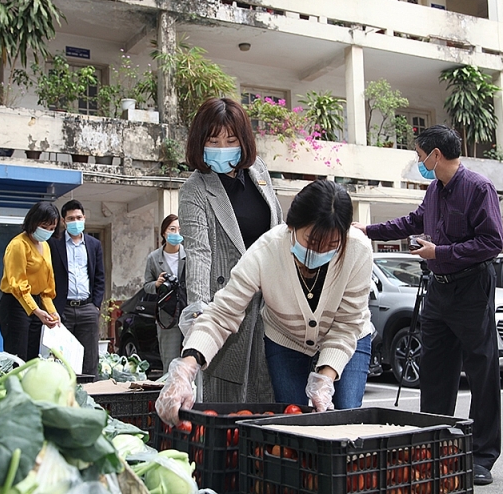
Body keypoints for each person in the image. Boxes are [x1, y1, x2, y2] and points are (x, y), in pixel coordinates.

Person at [352, 124, 503, 486]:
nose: (418, 162)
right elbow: (413, 221)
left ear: (436, 155)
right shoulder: (434, 190)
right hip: (438, 291)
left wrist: (442, 252)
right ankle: (435, 446)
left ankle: (482, 456)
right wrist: (368, 230)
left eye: (420, 156)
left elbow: (492, 241)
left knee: (482, 373)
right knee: (435, 372)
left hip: (472, 289)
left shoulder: (479, 188)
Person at [156, 180, 374, 426]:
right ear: (292, 225)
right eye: (311, 242)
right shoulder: (266, 251)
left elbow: (346, 324)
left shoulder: (358, 250)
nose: (318, 252)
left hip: (348, 338)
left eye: (331, 246)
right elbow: (222, 313)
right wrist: (186, 368)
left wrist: (325, 377)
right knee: (293, 425)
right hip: (286, 340)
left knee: (344, 418)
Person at [178, 97, 284, 403]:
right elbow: (199, 252)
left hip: (269, 306)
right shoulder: (194, 190)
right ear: (200, 142)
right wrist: (199, 311)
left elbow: (277, 228)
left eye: (231, 139)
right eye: (213, 140)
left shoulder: (258, 172)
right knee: (227, 406)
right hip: (225, 309)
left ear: (244, 141)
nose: (222, 146)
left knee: (269, 401)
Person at [48, 200, 105, 376]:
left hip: (87, 308)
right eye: (71, 218)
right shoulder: (53, 244)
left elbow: (99, 277)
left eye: (79, 217)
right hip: (62, 309)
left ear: (84, 218)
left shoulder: (94, 244)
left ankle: (90, 397)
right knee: (61, 358)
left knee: (90, 358)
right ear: (64, 221)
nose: (75, 221)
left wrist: (95, 305)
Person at [0, 201, 61, 361]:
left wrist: (52, 312)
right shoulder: (18, 245)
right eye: (44, 226)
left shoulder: (45, 246)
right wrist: (36, 310)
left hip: (36, 303)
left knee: (32, 357)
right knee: (18, 357)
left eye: (52, 228)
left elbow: (47, 286)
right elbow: (17, 284)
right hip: (16, 303)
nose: (47, 231)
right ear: (34, 222)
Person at [142, 214, 187, 373]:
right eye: (172, 229)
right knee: (170, 364)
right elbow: (146, 285)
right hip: (167, 316)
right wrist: (157, 284)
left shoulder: (189, 254)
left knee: (192, 363)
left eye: (179, 230)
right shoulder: (154, 258)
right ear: (163, 233)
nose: (176, 233)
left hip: (189, 313)